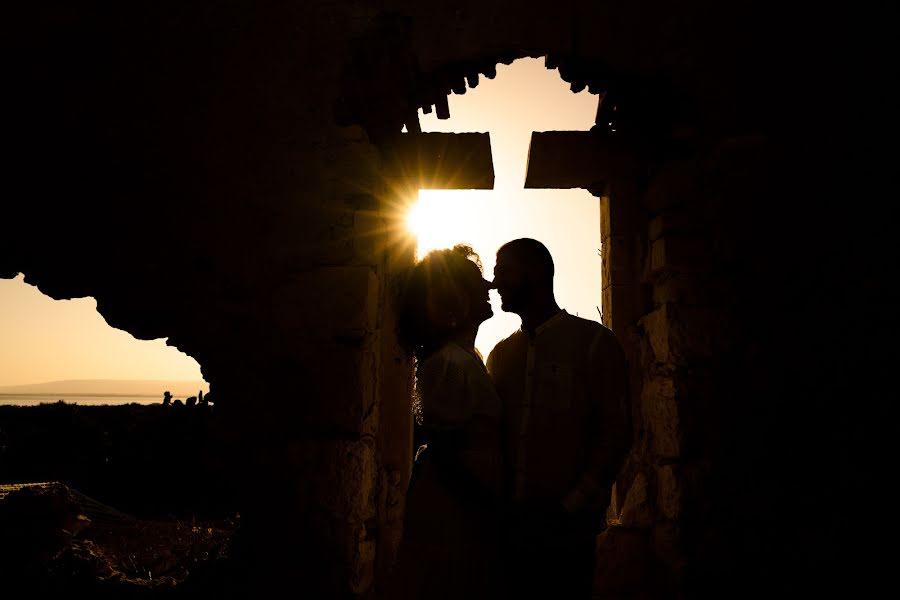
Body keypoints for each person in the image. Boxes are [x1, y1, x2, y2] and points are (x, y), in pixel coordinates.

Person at [486, 238, 631, 599]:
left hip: (569, 537)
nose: (494, 281)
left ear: (536, 272)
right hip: (509, 535)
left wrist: (570, 509)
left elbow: (615, 433)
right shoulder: (500, 357)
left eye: (503, 270)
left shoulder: (596, 344)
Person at [387, 244, 505, 600]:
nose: (487, 286)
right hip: (455, 508)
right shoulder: (449, 364)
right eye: (473, 282)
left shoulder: (465, 358)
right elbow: (446, 453)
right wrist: (490, 505)